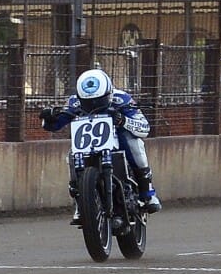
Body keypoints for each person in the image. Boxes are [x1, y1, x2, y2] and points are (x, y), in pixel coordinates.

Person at [40, 68, 161, 225]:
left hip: (118, 140)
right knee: (71, 155)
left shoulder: (122, 98)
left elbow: (144, 127)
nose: (94, 105)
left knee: (134, 142)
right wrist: (48, 117)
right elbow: (53, 125)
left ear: (109, 93)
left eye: (99, 100)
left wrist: (123, 120)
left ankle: (148, 192)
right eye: (88, 102)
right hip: (87, 144)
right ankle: (80, 203)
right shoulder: (73, 102)